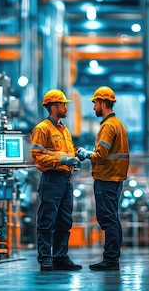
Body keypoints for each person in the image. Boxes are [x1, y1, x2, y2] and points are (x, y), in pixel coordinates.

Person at [77, 86, 129, 271]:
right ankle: (111, 259)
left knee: (108, 220)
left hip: (107, 177)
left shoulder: (108, 126)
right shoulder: (118, 124)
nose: (94, 108)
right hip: (114, 178)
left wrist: (84, 153)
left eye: (95, 103)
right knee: (111, 219)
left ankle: (111, 260)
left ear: (103, 103)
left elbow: (101, 155)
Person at [30, 89, 82, 272]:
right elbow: (37, 157)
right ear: (53, 107)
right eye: (62, 104)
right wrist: (62, 160)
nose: (66, 108)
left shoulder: (64, 129)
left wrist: (77, 154)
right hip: (51, 180)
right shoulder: (42, 129)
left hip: (66, 180)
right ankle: (45, 259)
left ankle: (60, 257)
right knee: (47, 221)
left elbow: (68, 151)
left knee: (64, 222)